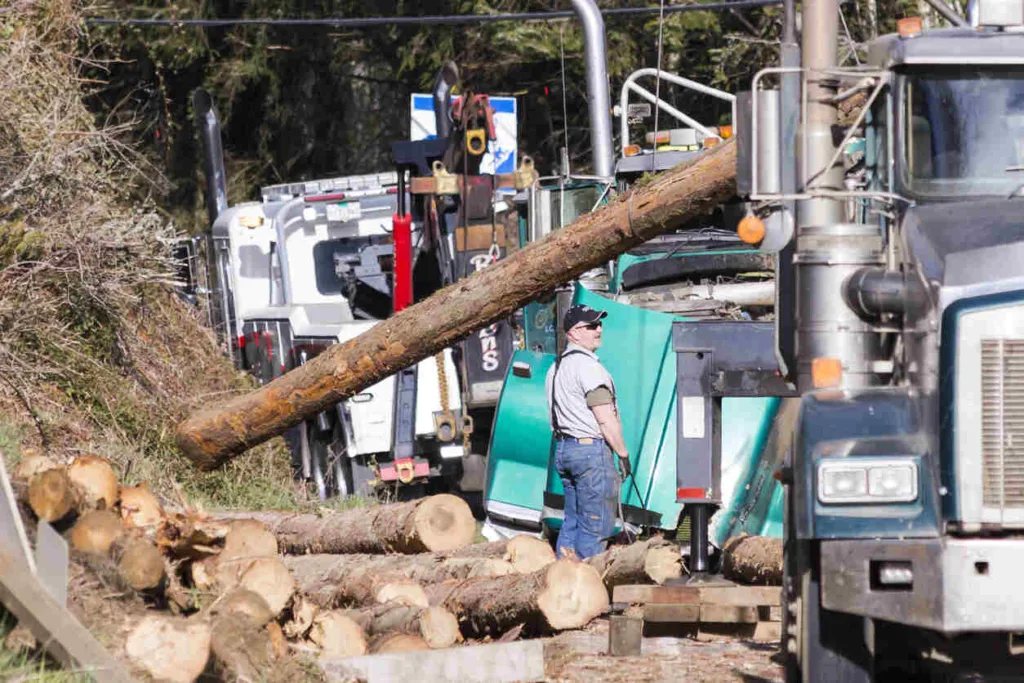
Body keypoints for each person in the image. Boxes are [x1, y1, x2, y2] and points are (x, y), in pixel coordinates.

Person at [546, 304, 631, 559]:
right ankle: (587, 586)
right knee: (596, 526)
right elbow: (604, 419)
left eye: (599, 324)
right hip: (589, 453)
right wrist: (623, 454)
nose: (599, 329)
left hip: (564, 451)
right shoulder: (588, 367)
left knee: (571, 524)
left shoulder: (556, 368)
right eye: (592, 326)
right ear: (574, 333)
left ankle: (563, 585)